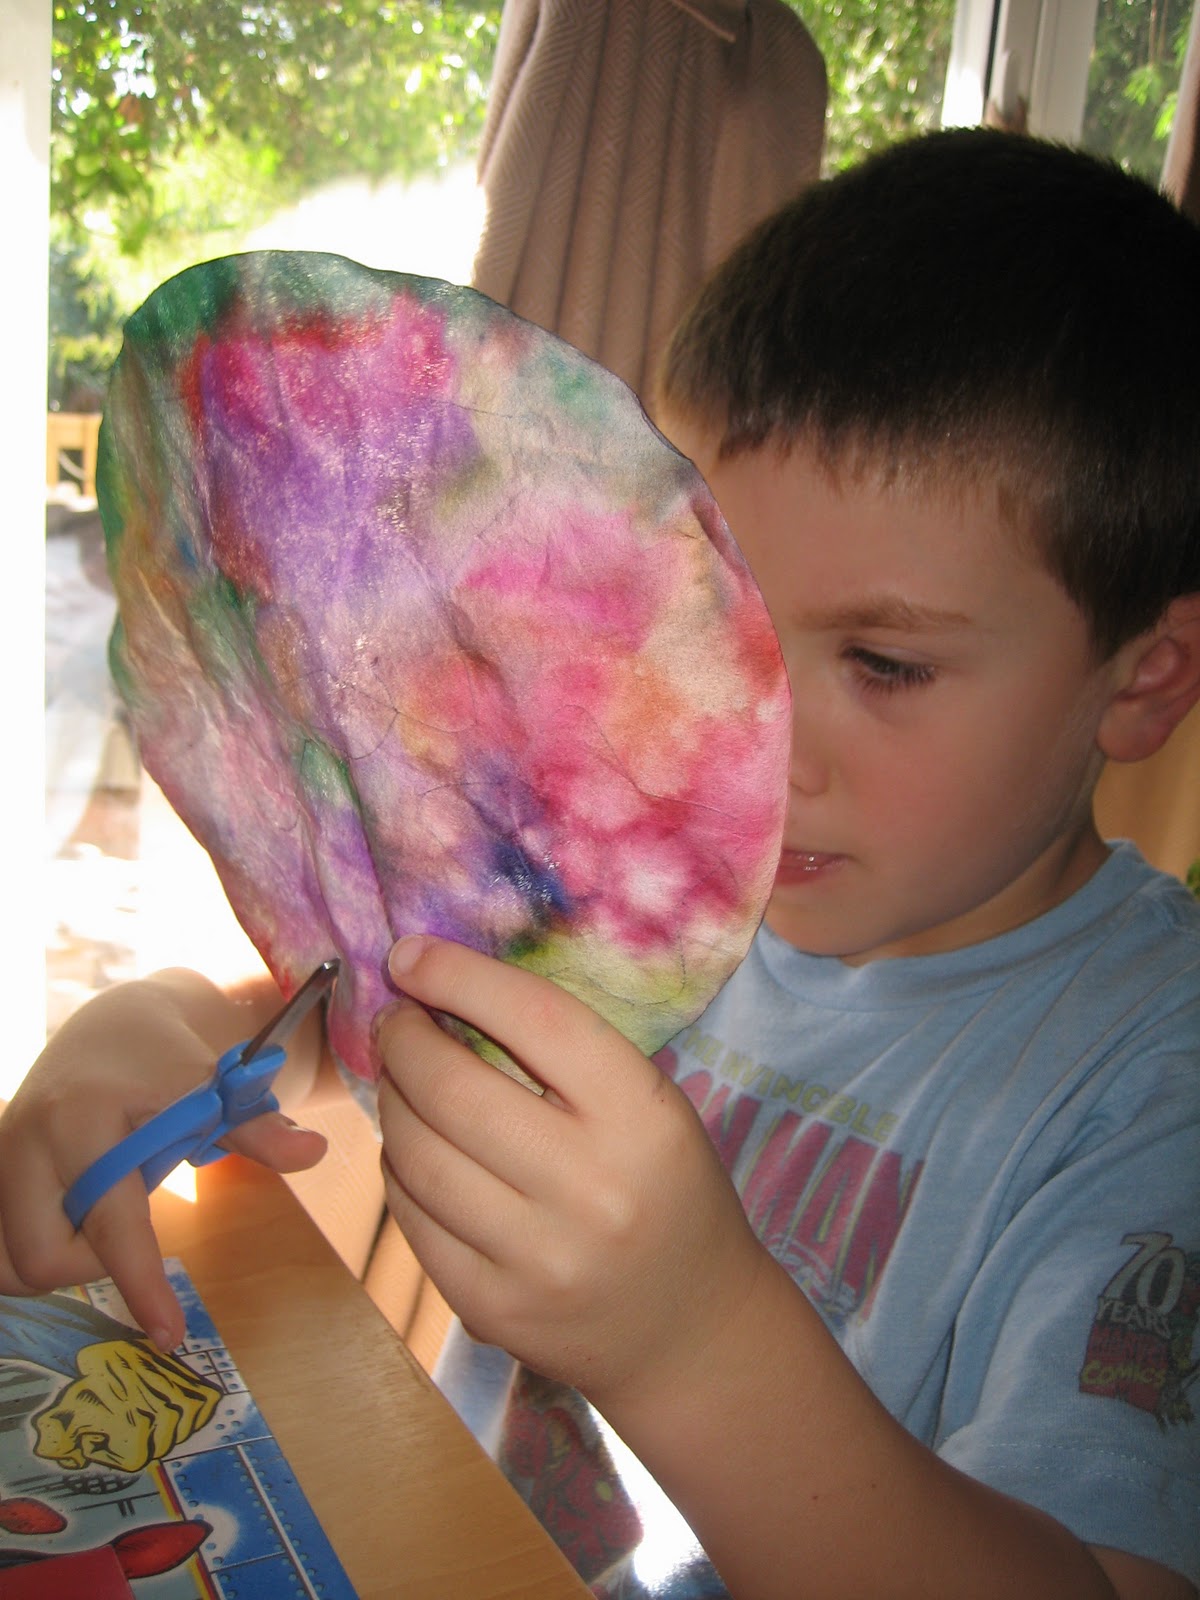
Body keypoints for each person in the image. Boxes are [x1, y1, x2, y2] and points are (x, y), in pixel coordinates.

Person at [1, 127, 1198, 1599]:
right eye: (702, 625)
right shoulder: (642, 890)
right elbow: (361, 1024)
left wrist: (692, 1343)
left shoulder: (1159, 1081)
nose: (750, 741)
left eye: (884, 664)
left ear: (1145, 679)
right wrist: (161, 1029)